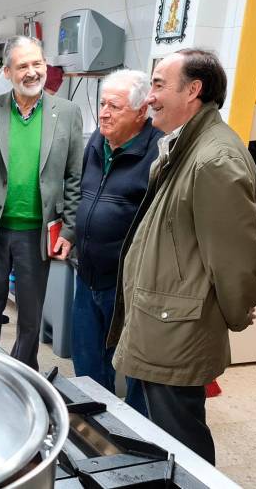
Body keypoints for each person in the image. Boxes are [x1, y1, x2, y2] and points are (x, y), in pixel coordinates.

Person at [108, 49, 256, 464]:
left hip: (178, 326)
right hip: (161, 316)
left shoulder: (215, 158)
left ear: (193, 90)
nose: (149, 97)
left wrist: (236, 312)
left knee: (182, 439)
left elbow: (236, 259)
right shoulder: (186, 145)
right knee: (158, 431)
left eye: (158, 85)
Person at [0, 35, 83, 370]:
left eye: (37, 63)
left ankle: (23, 372)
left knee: (30, 313)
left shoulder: (67, 113)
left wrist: (68, 232)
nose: (31, 72)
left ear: (45, 66)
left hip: (36, 232)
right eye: (23, 65)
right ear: (9, 72)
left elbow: (74, 178)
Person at [71, 69, 160, 416]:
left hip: (128, 284)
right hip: (87, 271)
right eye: (103, 104)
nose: (104, 113)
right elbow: (83, 192)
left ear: (141, 112)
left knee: (135, 368)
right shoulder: (97, 141)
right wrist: (69, 235)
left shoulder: (157, 153)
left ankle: (137, 439)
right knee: (88, 359)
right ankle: (94, 429)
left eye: (116, 106)